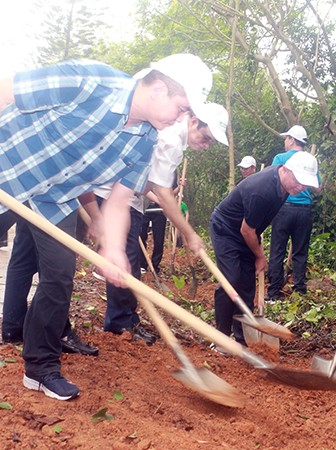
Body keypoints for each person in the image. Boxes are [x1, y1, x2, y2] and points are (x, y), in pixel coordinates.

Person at [0, 54, 213, 401]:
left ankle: (41, 366)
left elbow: (118, 202)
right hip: (5, 171)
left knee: (59, 277)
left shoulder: (144, 140)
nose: (181, 119)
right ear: (158, 89)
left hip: (55, 198)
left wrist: (111, 250)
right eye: (182, 107)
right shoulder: (88, 80)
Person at [83, 101, 229, 345]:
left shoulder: (174, 137)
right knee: (126, 266)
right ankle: (120, 323)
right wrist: (190, 234)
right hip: (116, 200)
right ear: (193, 121)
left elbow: (150, 184)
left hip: (130, 200)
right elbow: (162, 192)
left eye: (210, 143)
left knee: (131, 265)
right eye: (205, 137)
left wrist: (158, 199)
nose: (205, 146)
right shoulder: (171, 138)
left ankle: (127, 319)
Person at [210, 151, 319, 345]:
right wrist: (260, 256)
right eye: (298, 181)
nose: (301, 187)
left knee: (247, 285)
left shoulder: (285, 185)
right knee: (231, 280)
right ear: (286, 170)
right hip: (226, 229)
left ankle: (242, 338)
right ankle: (221, 338)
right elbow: (246, 230)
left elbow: (252, 227)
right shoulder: (262, 189)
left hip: (246, 231)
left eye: (305, 184)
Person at [1, 220, 99, 356]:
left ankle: (12, 328)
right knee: (57, 262)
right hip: (54, 205)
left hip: (28, 200)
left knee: (23, 255)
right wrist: (94, 216)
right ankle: (60, 332)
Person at [266, 125, 321, 300]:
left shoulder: (280, 158)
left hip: (283, 209)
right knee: (300, 252)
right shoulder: (310, 160)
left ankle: (274, 293)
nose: (285, 142)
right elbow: (318, 188)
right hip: (304, 211)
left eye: (286, 138)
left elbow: (272, 181)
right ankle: (300, 291)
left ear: (291, 139)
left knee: (277, 251)